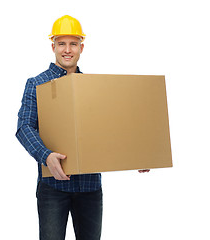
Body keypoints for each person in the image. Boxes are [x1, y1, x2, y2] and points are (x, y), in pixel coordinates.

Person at [16, 15, 149, 240]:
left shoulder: (93, 87)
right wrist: (45, 156)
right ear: (53, 46)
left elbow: (110, 130)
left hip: (90, 187)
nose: (67, 50)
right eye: (62, 43)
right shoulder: (37, 83)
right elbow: (24, 127)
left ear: (81, 47)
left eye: (73, 44)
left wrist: (136, 156)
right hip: (52, 187)